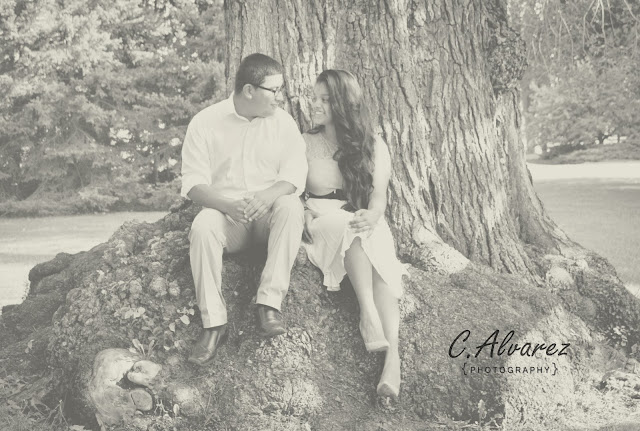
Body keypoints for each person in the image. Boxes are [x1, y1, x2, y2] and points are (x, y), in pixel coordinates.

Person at [181, 53, 307, 366]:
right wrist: (227, 205)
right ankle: (214, 325)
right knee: (202, 227)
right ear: (249, 90)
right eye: (273, 90)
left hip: (268, 216)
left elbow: (295, 175)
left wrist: (268, 195)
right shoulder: (205, 122)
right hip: (228, 217)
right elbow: (193, 184)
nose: (280, 97)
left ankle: (269, 305)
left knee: (291, 205)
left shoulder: (283, 123)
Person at [302, 70, 404, 399]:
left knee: (377, 249)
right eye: (314, 98)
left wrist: (373, 216)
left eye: (324, 99)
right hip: (322, 219)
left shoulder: (373, 144)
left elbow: (378, 196)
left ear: (343, 104)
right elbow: (291, 188)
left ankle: (392, 361)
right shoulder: (305, 142)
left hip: (362, 217)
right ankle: (367, 312)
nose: (315, 105)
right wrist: (301, 210)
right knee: (351, 229)